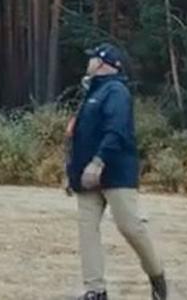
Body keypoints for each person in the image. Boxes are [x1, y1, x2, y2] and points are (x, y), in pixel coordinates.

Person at [66, 43, 168, 300]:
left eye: (92, 59)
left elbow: (117, 132)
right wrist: (73, 173)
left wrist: (98, 162)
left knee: (130, 226)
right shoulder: (91, 93)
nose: (88, 62)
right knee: (86, 230)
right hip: (87, 176)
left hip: (116, 173)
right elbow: (80, 137)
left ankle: (157, 276)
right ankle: (95, 290)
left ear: (102, 64)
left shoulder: (116, 92)